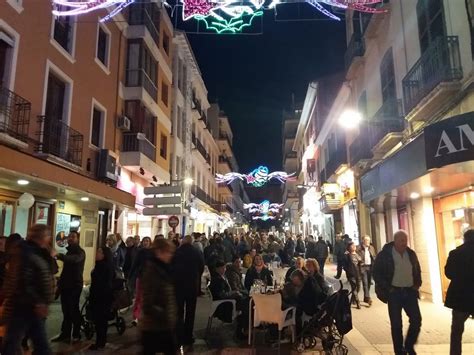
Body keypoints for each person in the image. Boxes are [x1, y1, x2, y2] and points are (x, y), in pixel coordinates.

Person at [2, 225, 56, 355]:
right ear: (42, 237)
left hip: (33, 306)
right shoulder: (26, 252)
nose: (49, 239)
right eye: (48, 236)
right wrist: (38, 302)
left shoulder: (38, 252)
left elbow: (51, 270)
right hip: (24, 305)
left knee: (37, 343)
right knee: (14, 342)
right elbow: (23, 281)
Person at [373, 230, 422, 355]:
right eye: (401, 240)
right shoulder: (385, 255)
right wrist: (388, 288)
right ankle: (399, 351)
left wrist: (417, 284)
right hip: (394, 293)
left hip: (410, 291)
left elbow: (417, 269)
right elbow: (376, 273)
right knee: (396, 324)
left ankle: (409, 345)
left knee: (416, 319)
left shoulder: (410, 254)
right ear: (395, 241)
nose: (404, 243)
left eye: (405, 240)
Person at [140, 239, 178, 355]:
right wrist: (164, 315)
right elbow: (148, 302)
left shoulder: (164, 269)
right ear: (159, 252)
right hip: (155, 325)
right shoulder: (153, 271)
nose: (170, 255)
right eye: (168, 252)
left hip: (162, 324)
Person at [444, 229, 474, 355]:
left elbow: (448, 273)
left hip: (459, 297)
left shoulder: (455, 253)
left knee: (456, 331)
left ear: (464, 238)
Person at [52, 231, 86, 343]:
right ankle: (65, 333)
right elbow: (65, 271)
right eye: (69, 237)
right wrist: (59, 284)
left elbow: (74, 259)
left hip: (75, 285)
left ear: (78, 239)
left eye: (73, 237)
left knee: (73, 309)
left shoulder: (80, 252)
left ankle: (76, 333)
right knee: (66, 310)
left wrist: (59, 256)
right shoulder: (69, 251)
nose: (70, 238)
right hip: (66, 285)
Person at [172, 235, 205, 346]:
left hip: (178, 285)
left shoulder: (177, 252)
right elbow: (201, 266)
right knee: (190, 312)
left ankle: (179, 334)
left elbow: (171, 267)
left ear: (183, 242)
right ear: (191, 242)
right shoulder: (196, 252)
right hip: (192, 285)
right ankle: (188, 335)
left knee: (179, 311)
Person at [209, 260, 247, 339]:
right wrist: (234, 293)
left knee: (244, 301)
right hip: (224, 304)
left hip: (227, 301)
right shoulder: (217, 280)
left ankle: (243, 326)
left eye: (224, 268)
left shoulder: (222, 277)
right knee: (244, 306)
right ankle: (240, 330)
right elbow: (221, 294)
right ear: (217, 269)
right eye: (222, 268)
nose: (224, 270)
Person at [87, 247, 114, 350]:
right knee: (100, 321)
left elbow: (103, 283)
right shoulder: (100, 265)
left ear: (104, 255)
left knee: (100, 321)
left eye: (99, 252)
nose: (96, 253)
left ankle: (100, 342)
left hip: (102, 297)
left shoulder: (104, 266)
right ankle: (101, 341)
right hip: (99, 296)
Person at [129, 236, 152, 325]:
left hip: (150, 278)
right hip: (141, 276)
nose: (145, 242)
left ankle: (146, 316)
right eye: (144, 241)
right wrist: (130, 275)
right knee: (139, 297)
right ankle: (135, 317)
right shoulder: (140, 252)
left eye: (147, 241)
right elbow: (135, 264)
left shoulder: (152, 253)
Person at [357, 235, 376, 306]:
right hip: (363, 267)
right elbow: (356, 256)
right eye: (367, 240)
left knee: (368, 282)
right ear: (363, 241)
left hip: (370, 267)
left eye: (369, 240)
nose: (368, 242)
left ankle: (366, 297)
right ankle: (368, 298)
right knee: (365, 283)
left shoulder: (371, 248)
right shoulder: (358, 248)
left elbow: (374, 256)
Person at [344, 242, 362, 309]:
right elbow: (345, 265)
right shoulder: (347, 255)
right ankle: (358, 302)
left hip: (358, 274)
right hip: (351, 274)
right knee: (354, 288)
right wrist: (348, 271)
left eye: (354, 245)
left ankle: (352, 300)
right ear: (349, 247)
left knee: (358, 288)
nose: (354, 247)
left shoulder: (357, 254)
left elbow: (361, 262)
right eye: (352, 246)